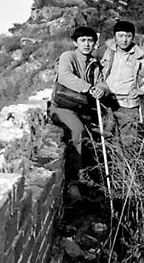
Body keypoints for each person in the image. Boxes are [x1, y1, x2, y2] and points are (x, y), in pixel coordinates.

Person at [49, 26, 108, 196]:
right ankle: (75, 177)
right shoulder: (68, 56)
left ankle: (93, 172)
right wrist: (88, 88)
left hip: (81, 107)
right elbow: (65, 76)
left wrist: (100, 89)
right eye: (83, 40)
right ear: (75, 43)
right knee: (77, 130)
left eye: (90, 40)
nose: (87, 44)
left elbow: (102, 82)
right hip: (62, 106)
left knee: (97, 133)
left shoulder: (94, 64)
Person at [98, 20, 144, 143]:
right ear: (114, 36)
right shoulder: (105, 51)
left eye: (128, 36)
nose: (124, 40)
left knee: (129, 141)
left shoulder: (141, 56)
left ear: (133, 37)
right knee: (106, 138)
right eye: (120, 36)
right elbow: (89, 61)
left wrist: (143, 90)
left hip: (129, 104)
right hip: (107, 102)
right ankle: (109, 162)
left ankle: (126, 162)